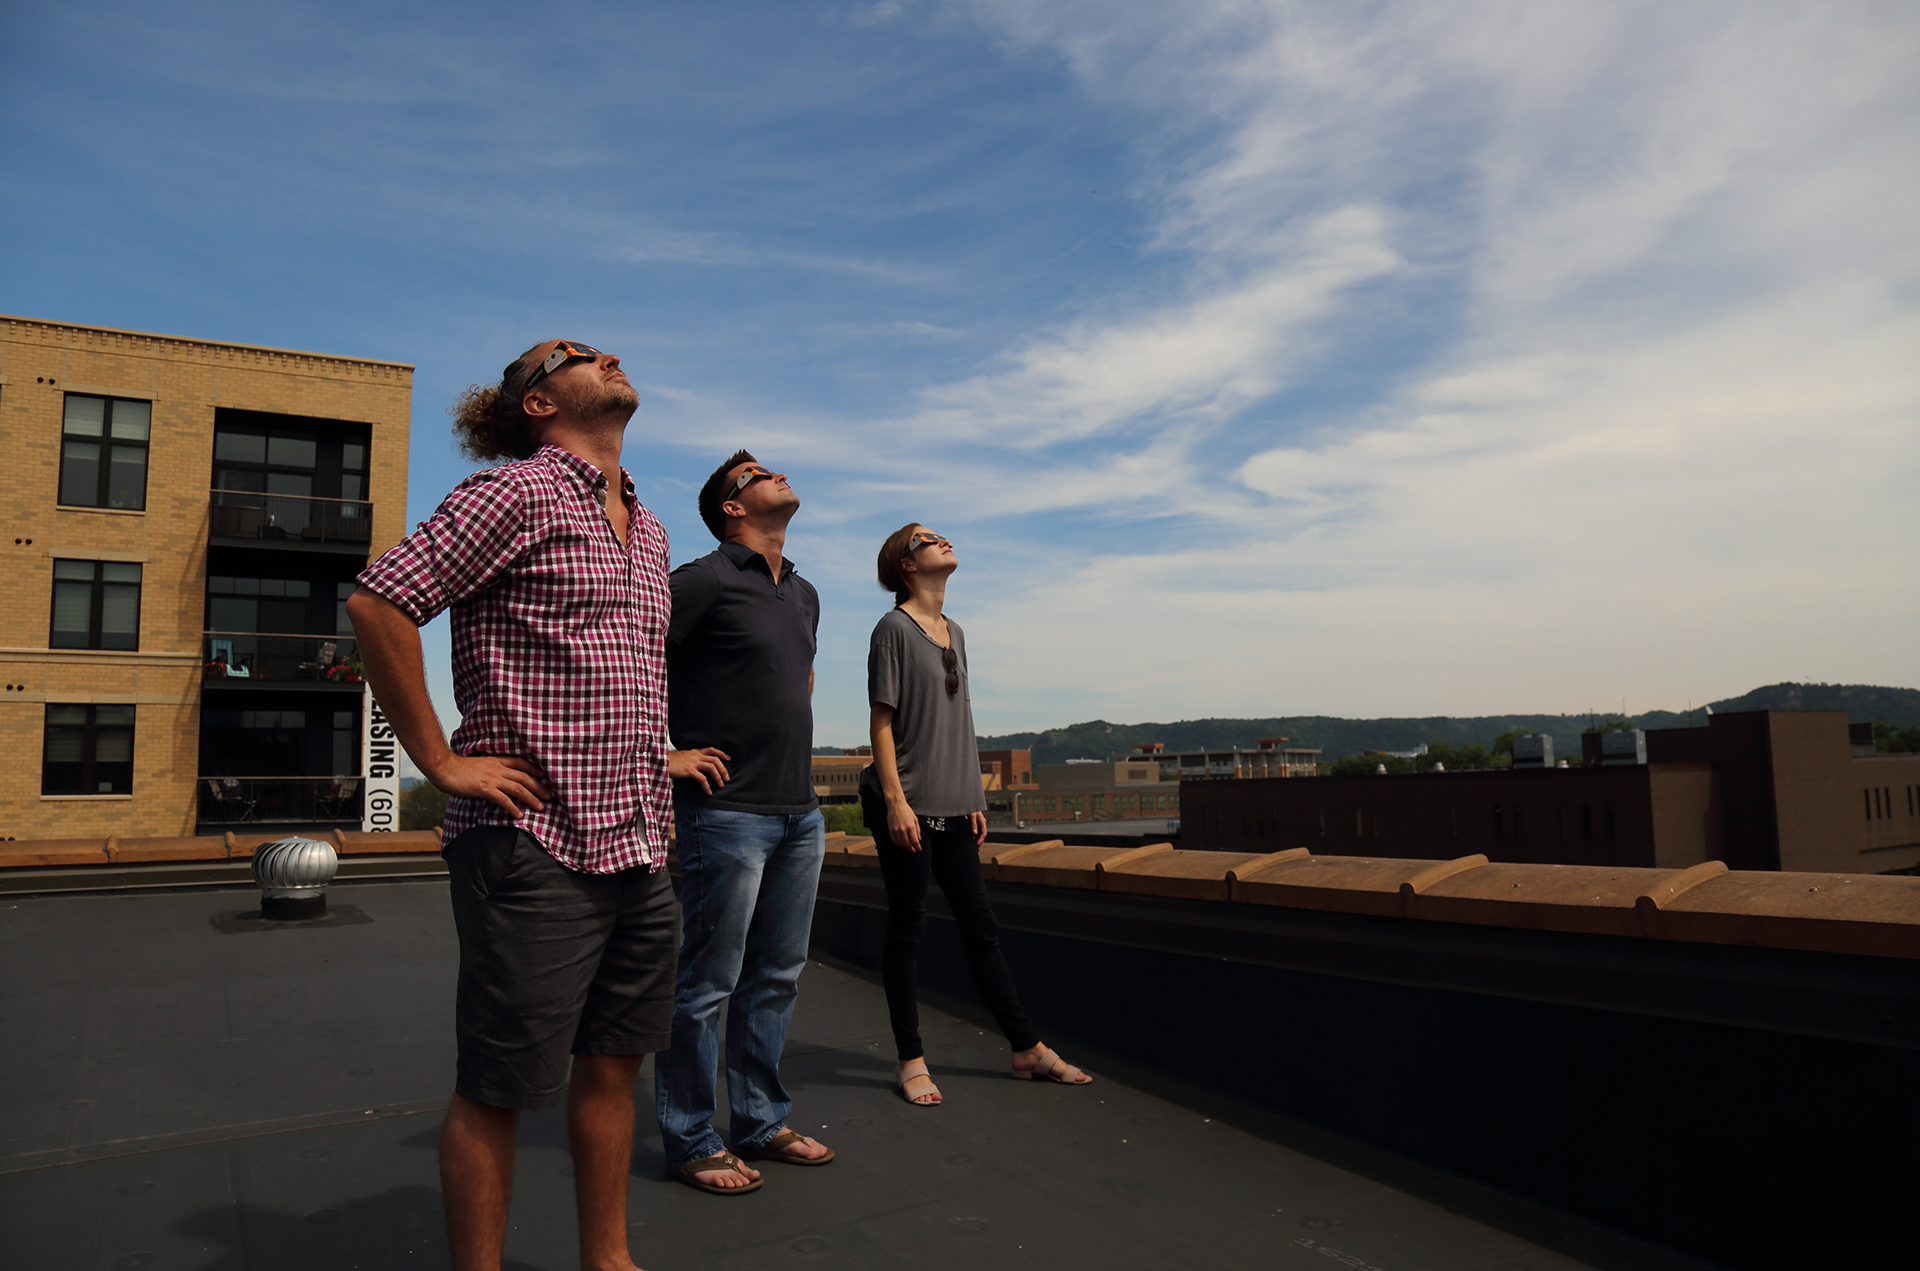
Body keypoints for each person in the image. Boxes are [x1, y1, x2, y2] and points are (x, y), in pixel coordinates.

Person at [348, 339, 727, 1271]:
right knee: (501, 1086)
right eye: (573, 353)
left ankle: (610, 1260)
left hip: (639, 842)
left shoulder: (651, 526)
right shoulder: (510, 493)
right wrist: (438, 758)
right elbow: (380, 603)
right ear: (537, 403)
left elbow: (616, 672)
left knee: (612, 1067)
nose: (606, 355)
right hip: (534, 844)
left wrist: (659, 757)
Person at [859, 523, 1094, 1105]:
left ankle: (1025, 1047)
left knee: (981, 929)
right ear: (906, 566)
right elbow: (882, 722)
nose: (943, 541)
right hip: (908, 806)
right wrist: (895, 802)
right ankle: (910, 1059)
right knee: (908, 929)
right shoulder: (892, 629)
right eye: (927, 540)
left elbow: (957, 721)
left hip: (953, 806)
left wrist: (972, 798)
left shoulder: (954, 632)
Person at [654, 452, 832, 1193]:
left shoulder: (804, 592)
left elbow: (801, 677)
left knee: (776, 977)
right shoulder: (700, 580)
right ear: (733, 506)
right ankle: (691, 1135)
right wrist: (664, 754)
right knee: (707, 982)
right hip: (724, 816)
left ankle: (758, 1120)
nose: (778, 474)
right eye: (760, 472)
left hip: (800, 813)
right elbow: (629, 660)